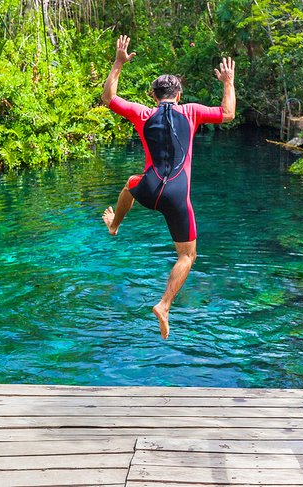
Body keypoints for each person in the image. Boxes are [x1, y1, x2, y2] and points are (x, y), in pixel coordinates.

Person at [101, 35, 236, 340]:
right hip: (177, 197)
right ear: (180, 94)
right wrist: (227, 82)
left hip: (148, 189)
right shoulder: (191, 112)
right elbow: (227, 114)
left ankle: (115, 226)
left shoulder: (143, 113)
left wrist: (119, 63)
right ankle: (164, 305)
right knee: (187, 256)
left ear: (153, 95)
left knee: (130, 184)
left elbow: (108, 99)